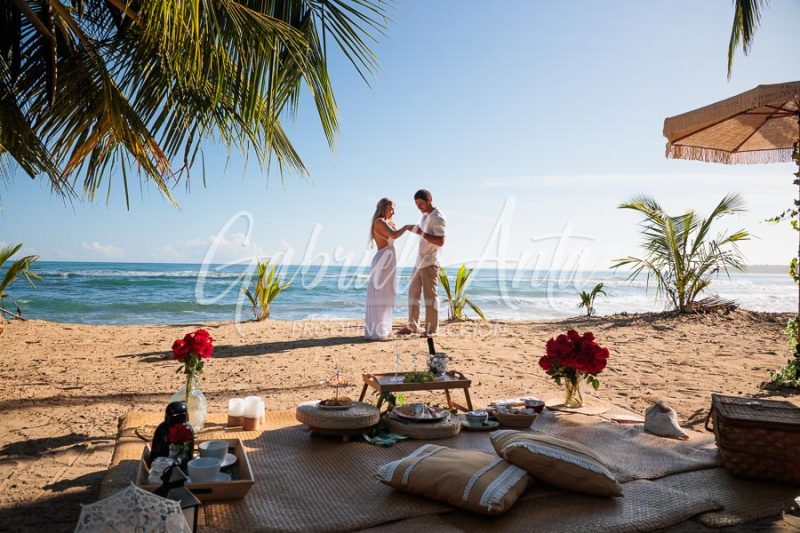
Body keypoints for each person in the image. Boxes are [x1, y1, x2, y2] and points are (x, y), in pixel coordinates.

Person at [398, 189, 446, 336]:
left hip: (430, 262)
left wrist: (421, 233)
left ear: (429, 199)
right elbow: (424, 234)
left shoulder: (438, 217)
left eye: (421, 204)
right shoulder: (425, 216)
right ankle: (413, 326)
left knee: (430, 296)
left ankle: (432, 329)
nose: (419, 207)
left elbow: (440, 241)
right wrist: (413, 229)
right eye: (417, 204)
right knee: (413, 293)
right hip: (419, 262)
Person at [365, 198, 413, 340]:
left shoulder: (386, 222)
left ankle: (383, 328)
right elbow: (394, 235)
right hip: (383, 261)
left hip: (388, 261)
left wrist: (393, 225)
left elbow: (392, 234)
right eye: (391, 208)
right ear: (384, 208)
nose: (394, 211)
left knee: (387, 295)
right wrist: (406, 227)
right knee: (380, 295)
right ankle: (377, 331)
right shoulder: (379, 222)